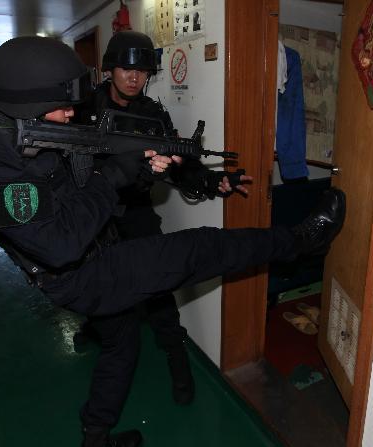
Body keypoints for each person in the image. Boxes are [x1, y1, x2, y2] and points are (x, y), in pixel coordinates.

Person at [0, 36, 346, 447]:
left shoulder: (23, 131)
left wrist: (140, 171)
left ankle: (96, 437)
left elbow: (76, 189)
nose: (73, 114)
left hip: (100, 246)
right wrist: (114, 176)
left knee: (122, 344)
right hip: (82, 273)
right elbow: (59, 243)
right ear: (27, 101)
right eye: (64, 105)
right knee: (202, 249)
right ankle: (302, 241)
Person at [70, 30, 253, 433]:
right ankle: (92, 326)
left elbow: (179, 163)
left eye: (141, 71)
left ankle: (177, 360)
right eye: (126, 68)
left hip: (135, 211)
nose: (134, 78)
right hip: (92, 213)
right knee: (91, 281)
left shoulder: (153, 115)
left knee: (158, 292)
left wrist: (211, 182)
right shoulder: (82, 108)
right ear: (110, 69)